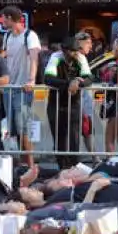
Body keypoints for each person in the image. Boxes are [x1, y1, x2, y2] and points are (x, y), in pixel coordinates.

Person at [44, 34, 93, 169]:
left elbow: (89, 78)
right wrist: (69, 83)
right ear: (63, 50)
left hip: (74, 104)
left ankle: (74, 167)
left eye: (76, 51)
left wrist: (77, 81)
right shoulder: (56, 57)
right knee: (59, 138)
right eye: (71, 51)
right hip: (56, 103)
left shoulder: (80, 58)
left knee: (74, 139)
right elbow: (48, 78)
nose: (73, 54)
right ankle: (63, 169)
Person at [1, 5, 41, 168]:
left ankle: (30, 164)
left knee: (23, 127)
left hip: (23, 89)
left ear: (10, 18)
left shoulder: (30, 36)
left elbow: (34, 58)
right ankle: (22, 163)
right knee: (14, 128)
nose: (2, 21)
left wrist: (31, 80)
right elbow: (4, 58)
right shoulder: (7, 37)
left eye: (3, 18)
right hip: (9, 88)